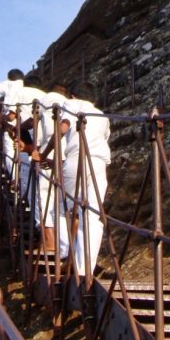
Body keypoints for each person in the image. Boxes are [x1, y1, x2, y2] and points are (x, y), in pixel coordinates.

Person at [58, 83, 111, 277]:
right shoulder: (102, 116)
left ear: (72, 95)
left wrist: (44, 152)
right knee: (92, 215)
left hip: (76, 159)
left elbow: (63, 128)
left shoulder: (72, 104)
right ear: (94, 99)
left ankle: (65, 255)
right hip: (98, 164)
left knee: (62, 210)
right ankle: (83, 268)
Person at [29, 82, 69, 252]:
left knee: (43, 196)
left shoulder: (42, 103)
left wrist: (37, 153)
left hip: (50, 152)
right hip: (71, 156)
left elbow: (38, 137)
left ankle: (50, 241)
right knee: (63, 201)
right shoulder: (70, 105)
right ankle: (67, 247)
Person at [6, 75, 46, 203]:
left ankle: (25, 198)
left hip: (25, 133)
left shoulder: (20, 92)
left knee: (24, 167)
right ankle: (36, 202)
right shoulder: (45, 96)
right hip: (42, 134)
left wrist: (4, 120)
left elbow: (12, 116)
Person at [0, 69, 25, 178]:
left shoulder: (8, 83)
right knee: (23, 149)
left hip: (10, 119)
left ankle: (14, 178)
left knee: (9, 150)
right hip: (25, 119)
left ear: (9, 77)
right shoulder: (24, 85)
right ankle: (24, 179)